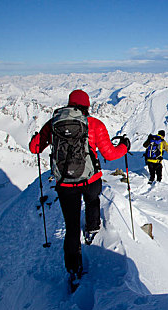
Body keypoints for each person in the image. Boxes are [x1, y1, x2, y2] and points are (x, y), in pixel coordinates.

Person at [29, 89, 130, 286]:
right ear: (87, 106)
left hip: (65, 183)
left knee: (72, 226)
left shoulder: (54, 123)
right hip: (91, 179)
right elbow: (109, 154)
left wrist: (37, 137)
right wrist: (125, 146)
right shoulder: (94, 124)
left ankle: (73, 270)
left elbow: (34, 148)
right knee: (93, 200)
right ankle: (92, 228)